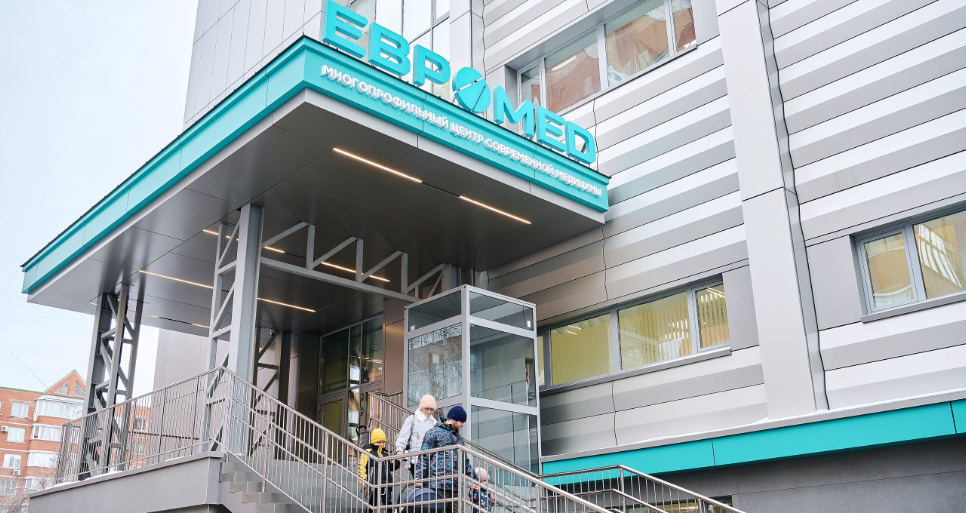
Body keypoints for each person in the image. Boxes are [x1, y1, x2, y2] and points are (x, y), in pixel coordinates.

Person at [414, 406, 477, 513]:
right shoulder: (434, 432)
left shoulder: (458, 438)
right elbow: (424, 456)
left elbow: (465, 462)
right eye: (461, 422)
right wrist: (419, 478)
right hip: (437, 484)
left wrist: (476, 480)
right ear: (453, 419)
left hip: (455, 486)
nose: (463, 425)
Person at [395, 394, 437, 479]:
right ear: (421, 407)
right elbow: (403, 437)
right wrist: (399, 450)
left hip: (431, 459)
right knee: (420, 483)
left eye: (432, 409)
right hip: (416, 459)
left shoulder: (434, 423)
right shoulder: (412, 419)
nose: (429, 411)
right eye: (427, 408)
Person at [359, 428, 400, 511]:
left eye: (382, 442)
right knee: (372, 503)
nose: (381, 444)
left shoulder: (386, 453)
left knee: (387, 503)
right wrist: (363, 480)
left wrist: (398, 460)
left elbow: (391, 467)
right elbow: (362, 466)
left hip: (386, 483)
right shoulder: (367, 452)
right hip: (373, 482)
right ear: (373, 441)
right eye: (378, 442)